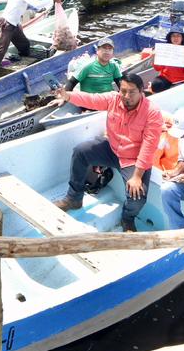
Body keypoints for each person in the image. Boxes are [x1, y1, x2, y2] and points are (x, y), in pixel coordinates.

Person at [53, 72, 163, 233]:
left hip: (133, 159)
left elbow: (149, 145)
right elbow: (90, 99)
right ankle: (73, 198)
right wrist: (67, 95)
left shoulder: (152, 112)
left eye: (132, 92)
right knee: (80, 152)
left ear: (141, 91)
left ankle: (128, 218)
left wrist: (137, 176)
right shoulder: (113, 99)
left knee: (137, 198)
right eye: (123, 91)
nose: (126, 96)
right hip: (111, 148)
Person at [150, 25, 184, 91]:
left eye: (178, 36)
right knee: (155, 85)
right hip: (166, 77)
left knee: (181, 91)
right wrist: (154, 59)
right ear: (170, 38)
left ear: (182, 38)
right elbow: (158, 68)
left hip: (181, 79)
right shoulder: (164, 50)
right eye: (173, 36)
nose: (176, 38)